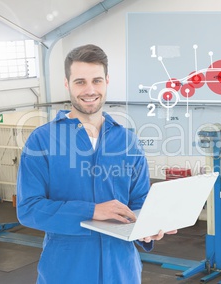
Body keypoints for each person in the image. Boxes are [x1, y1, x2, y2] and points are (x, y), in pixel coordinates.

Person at [17, 44, 176, 284]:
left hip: (122, 272)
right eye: (80, 81)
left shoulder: (127, 141)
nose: (90, 90)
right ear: (67, 83)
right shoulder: (42, 141)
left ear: (107, 81)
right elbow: (29, 209)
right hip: (66, 272)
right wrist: (91, 211)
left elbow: (139, 204)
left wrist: (149, 226)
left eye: (97, 81)